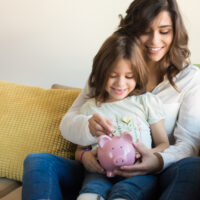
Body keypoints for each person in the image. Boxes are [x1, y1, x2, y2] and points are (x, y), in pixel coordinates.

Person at [22, 0, 200, 199]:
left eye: (164, 31)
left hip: (157, 173)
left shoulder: (190, 78)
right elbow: (68, 123)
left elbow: (189, 144)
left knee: (194, 166)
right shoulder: (108, 72)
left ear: (176, 32)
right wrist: (85, 150)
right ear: (132, 29)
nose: (154, 40)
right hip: (99, 171)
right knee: (38, 161)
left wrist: (157, 160)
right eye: (145, 30)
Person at [74, 32, 169, 200]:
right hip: (100, 172)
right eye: (113, 75)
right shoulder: (90, 107)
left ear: (138, 75)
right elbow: (80, 150)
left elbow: (163, 144)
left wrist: (149, 155)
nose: (120, 83)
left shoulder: (146, 101)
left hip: (139, 172)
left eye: (129, 76)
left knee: (126, 193)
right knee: (90, 191)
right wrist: (84, 157)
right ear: (101, 73)